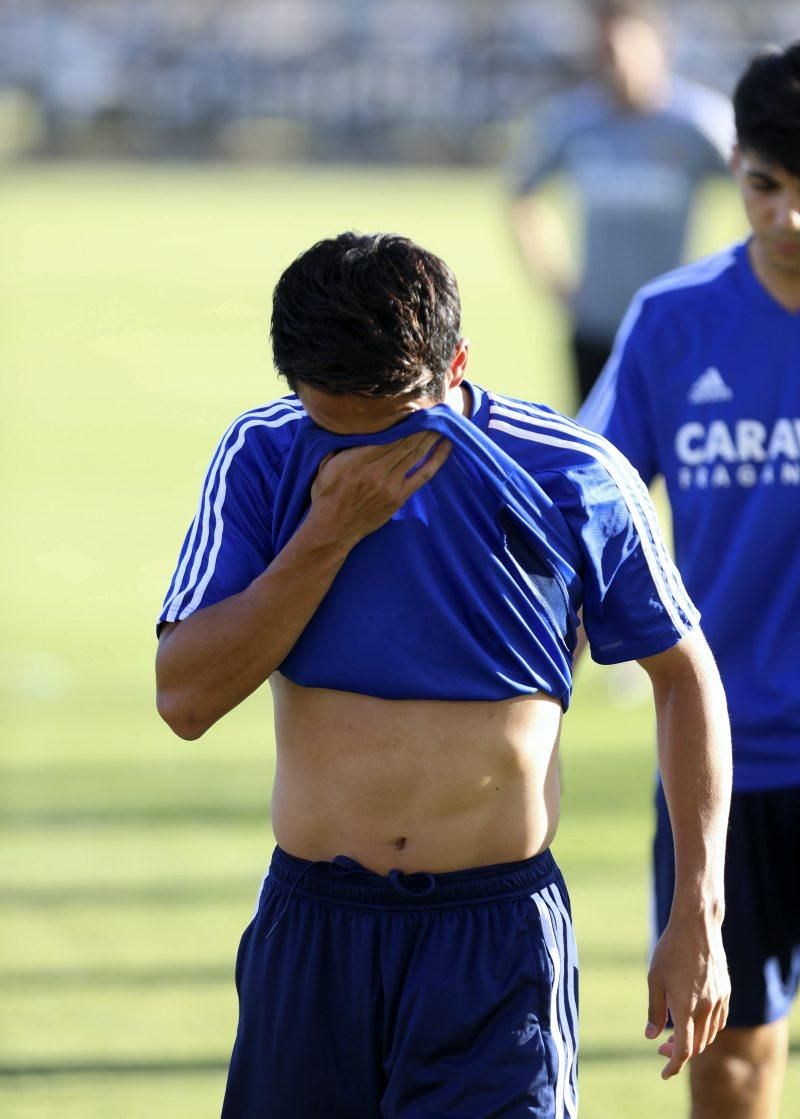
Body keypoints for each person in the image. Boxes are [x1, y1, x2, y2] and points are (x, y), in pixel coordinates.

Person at [155, 231, 731, 1117]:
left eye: (395, 424)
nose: (364, 456)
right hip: (316, 931)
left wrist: (699, 906)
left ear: (455, 363)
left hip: (493, 945)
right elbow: (185, 697)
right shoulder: (265, 454)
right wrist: (326, 535)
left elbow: (684, 674)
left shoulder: (571, 472)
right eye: (327, 419)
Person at [580, 42, 800, 1119]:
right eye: (767, 187)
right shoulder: (672, 322)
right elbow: (580, 515)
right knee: (731, 1062)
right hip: (730, 764)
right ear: (734, 168)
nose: (789, 219)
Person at [510, 0, 734, 404]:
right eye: (605, 51)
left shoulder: (697, 122)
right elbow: (523, 195)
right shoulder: (573, 121)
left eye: (626, 49)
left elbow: (759, 186)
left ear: (657, 46)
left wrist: (732, 276)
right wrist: (555, 280)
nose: (617, 63)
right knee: (595, 455)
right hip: (597, 325)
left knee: (681, 449)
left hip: (677, 322)